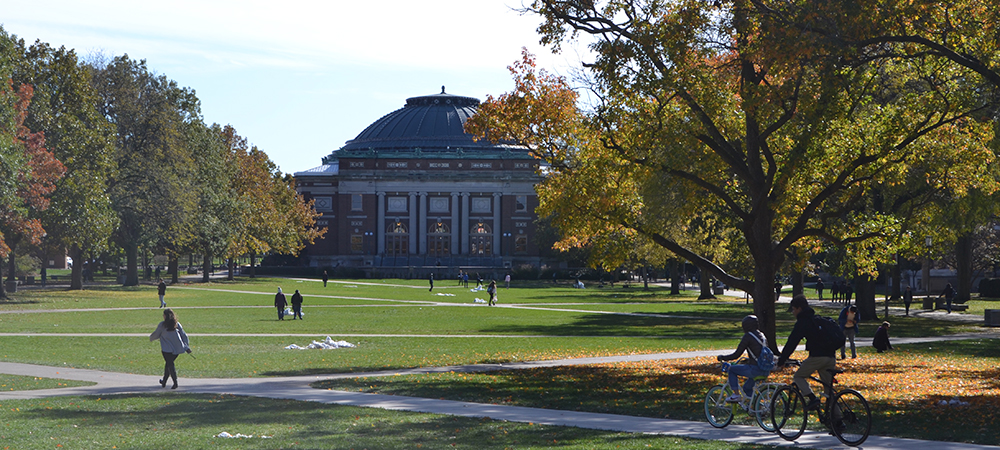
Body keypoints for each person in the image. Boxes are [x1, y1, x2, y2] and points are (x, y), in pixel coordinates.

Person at [776, 295, 836, 411]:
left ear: (799, 308)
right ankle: (837, 421)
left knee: (798, 376)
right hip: (831, 356)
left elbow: (792, 342)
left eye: (793, 309)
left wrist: (782, 360)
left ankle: (812, 398)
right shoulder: (817, 319)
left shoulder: (803, 322)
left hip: (818, 357)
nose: (793, 312)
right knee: (829, 390)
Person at [716, 315, 771, 402]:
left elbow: (737, 354)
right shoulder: (762, 335)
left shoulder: (748, 336)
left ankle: (736, 395)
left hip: (755, 369)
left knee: (732, 369)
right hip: (765, 369)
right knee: (747, 388)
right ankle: (759, 407)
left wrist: (723, 357)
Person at [149, 308, 191, 389]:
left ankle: (175, 383)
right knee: (168, 364)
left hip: (167, 349)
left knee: (170, 364)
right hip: (177, 349)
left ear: (165, 316)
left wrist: (151, 338)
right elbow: (184, 336)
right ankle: (164, 381)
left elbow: (156, 334)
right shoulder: (177, 324)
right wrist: (186, 347)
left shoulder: (162, 325)